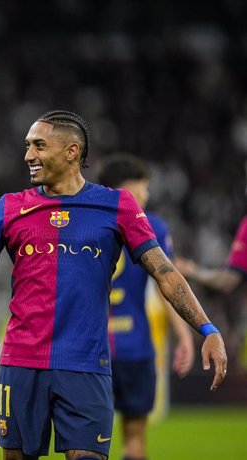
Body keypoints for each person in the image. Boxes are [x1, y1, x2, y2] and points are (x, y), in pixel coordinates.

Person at [0, 110, 227, 460]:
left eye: (38, 145)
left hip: (86, 366)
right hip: (21, 363)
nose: (28, 156)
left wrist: (206, 328)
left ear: (72, 152)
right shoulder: (9, 208)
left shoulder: (117, 206)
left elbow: (165, 272)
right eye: (27, 146)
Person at [98, 153, 194, 460]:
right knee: (135, 439)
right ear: (127, 191)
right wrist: (185, 334)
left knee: (85, 443)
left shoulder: (87, 223)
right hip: (135, 346)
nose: (147, 195)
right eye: (143, 188)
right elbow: (166, 286)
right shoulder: (152, 226)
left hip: (91, 348)